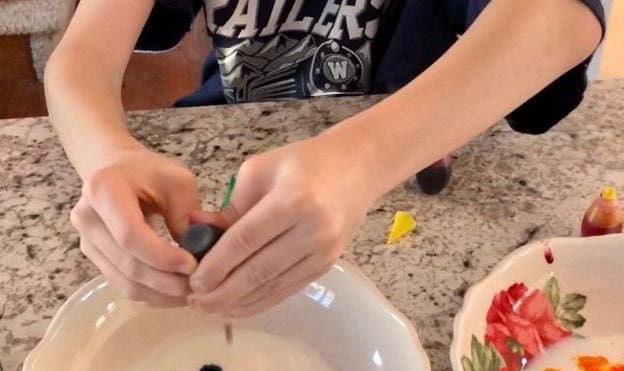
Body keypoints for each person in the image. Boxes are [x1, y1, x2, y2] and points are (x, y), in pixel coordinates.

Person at [46, 0, 605, 317]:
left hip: (406, 160)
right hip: (237, 131)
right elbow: (81, 57)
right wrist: (107, 155)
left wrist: (359, 161)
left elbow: (560, 17)